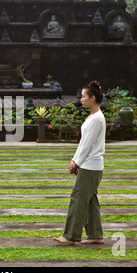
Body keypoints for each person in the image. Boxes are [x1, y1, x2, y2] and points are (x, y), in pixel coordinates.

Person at [53, 81, 106, 245]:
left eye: (83, 96)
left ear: (92, 98)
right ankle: (95, 234)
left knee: (77, 199)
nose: (81, 99)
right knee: (90, 201)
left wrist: (77, 162)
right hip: (89, 165)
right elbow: (83, 142)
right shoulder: (92, 116)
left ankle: (70, 235)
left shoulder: (97, 118)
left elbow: (87, 144)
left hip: (91, 165)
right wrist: (74, 160)